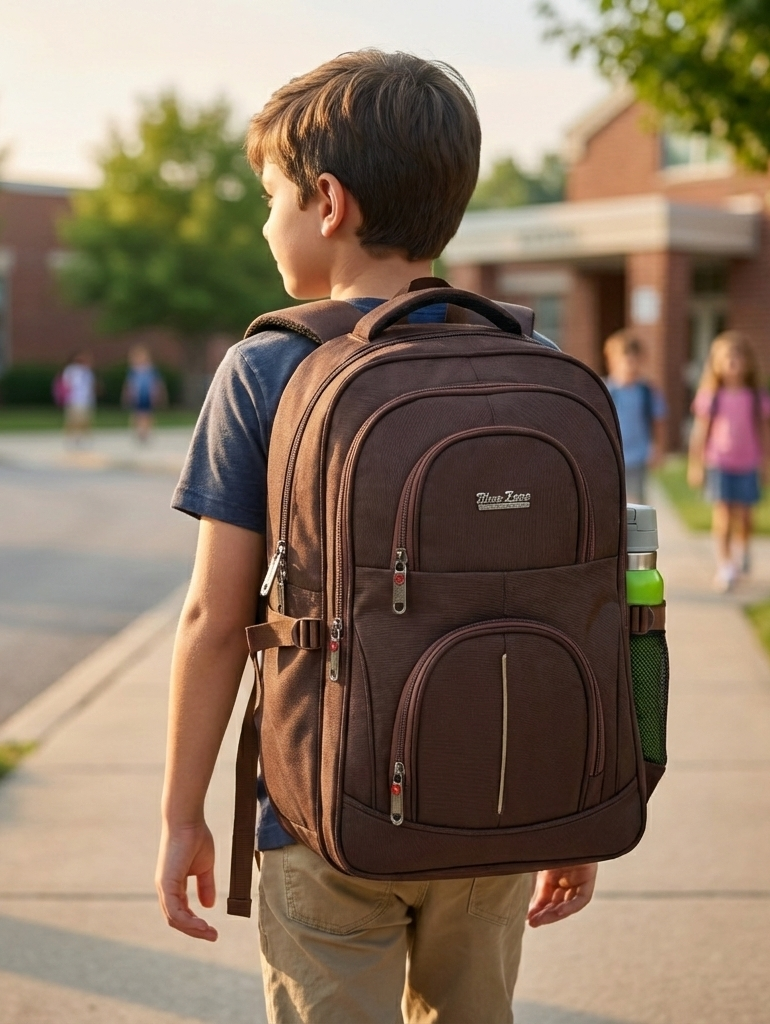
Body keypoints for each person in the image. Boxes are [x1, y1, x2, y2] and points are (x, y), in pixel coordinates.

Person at [155, 50, 598, 1024]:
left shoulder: (269, 364)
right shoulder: (533, 362)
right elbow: (572, 600)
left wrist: (183, 812)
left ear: (325, 201)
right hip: (494, 799)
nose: (264, 222)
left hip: (322, 816)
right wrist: (572, 801)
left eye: (267, 198)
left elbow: (211, 618)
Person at [687, 331, 770, 592]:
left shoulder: (757, 397)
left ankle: (742, 550)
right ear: (715, 362)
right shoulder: (711, 397)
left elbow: (767, 433)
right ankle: (725, 566)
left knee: (746, 519)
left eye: (738, 355)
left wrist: (768, 465)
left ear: (748, 361)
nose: (733, 361)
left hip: (748, 464)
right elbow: (700, 433)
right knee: (724, 516)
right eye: (727, 356)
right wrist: (696, 465)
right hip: (719, 463)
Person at [603, 331, 667, 504]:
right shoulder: (605, 391)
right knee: (612, 501)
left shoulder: (647, 391)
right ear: (612, 361)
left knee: (636, 503)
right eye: (625, 360)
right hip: (612, 456)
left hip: (638, 455)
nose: (630, 365)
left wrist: (657, 448)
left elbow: (658, 420)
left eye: (634, 360)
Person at [122, 345, 166, 443]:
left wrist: (156, 393)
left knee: (147, 414)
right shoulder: (133, 371)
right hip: (137, 396)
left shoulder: (150, 370)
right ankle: (138, 431)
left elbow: (155, 383)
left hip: (147, 395)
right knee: (137, 414)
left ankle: (146, 431)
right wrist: (128, 394)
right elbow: (130, 384)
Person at [58, 350, 96, 445]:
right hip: (73, 398)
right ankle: (70, 437)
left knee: (85, 420)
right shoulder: (71, 370)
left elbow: (90, 385)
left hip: (86, 399)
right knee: (72, 420)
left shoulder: (88, 371)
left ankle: (83, 437)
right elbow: (66, 383)